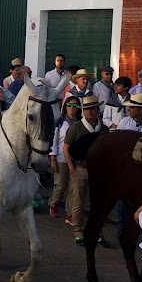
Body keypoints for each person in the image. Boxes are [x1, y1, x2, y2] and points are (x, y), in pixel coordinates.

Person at [63, 95, 109, 247]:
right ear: (84, 111)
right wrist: (71, 166)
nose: (89, 111)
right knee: (78, 202)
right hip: (81, 168)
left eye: (92, 109)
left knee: (97, 203)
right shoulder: (76, 127)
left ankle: (98, 232)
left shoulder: (103, 128)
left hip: (99, 170)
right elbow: (66, 148)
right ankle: (78, 231)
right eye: (87, 109)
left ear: (97, 110)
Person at [49, 95, 82, 223]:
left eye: (75, 106)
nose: (72, 108)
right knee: (61, 185)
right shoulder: (60, 121)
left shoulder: (81, 122)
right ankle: (53, 202)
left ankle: (70, 214)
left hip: (76, 160)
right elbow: (54, 141)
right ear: (65, 107)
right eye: (69, 105)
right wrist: (53, 158)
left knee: (73, 188)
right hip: (61, 158)